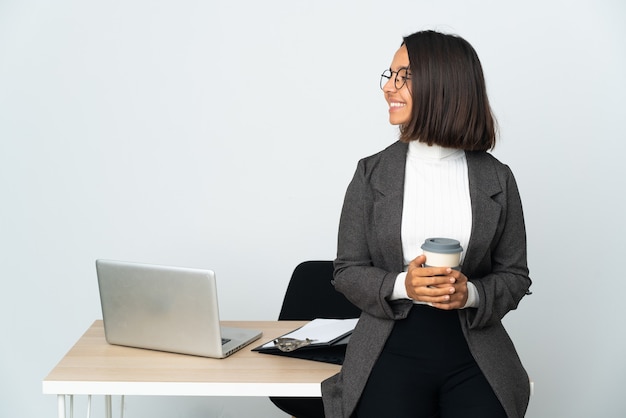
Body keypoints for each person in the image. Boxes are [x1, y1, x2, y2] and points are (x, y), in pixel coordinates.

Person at [321, 30, 532, 418]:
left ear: (445, 85)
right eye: (390, 75)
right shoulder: (371, 174)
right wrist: (404, 284)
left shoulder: (497, 179)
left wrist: (469, 294)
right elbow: (347, 271)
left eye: (405, 76)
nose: (389, 88)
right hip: (388, 347)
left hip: (475, 352)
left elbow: (515, 276)